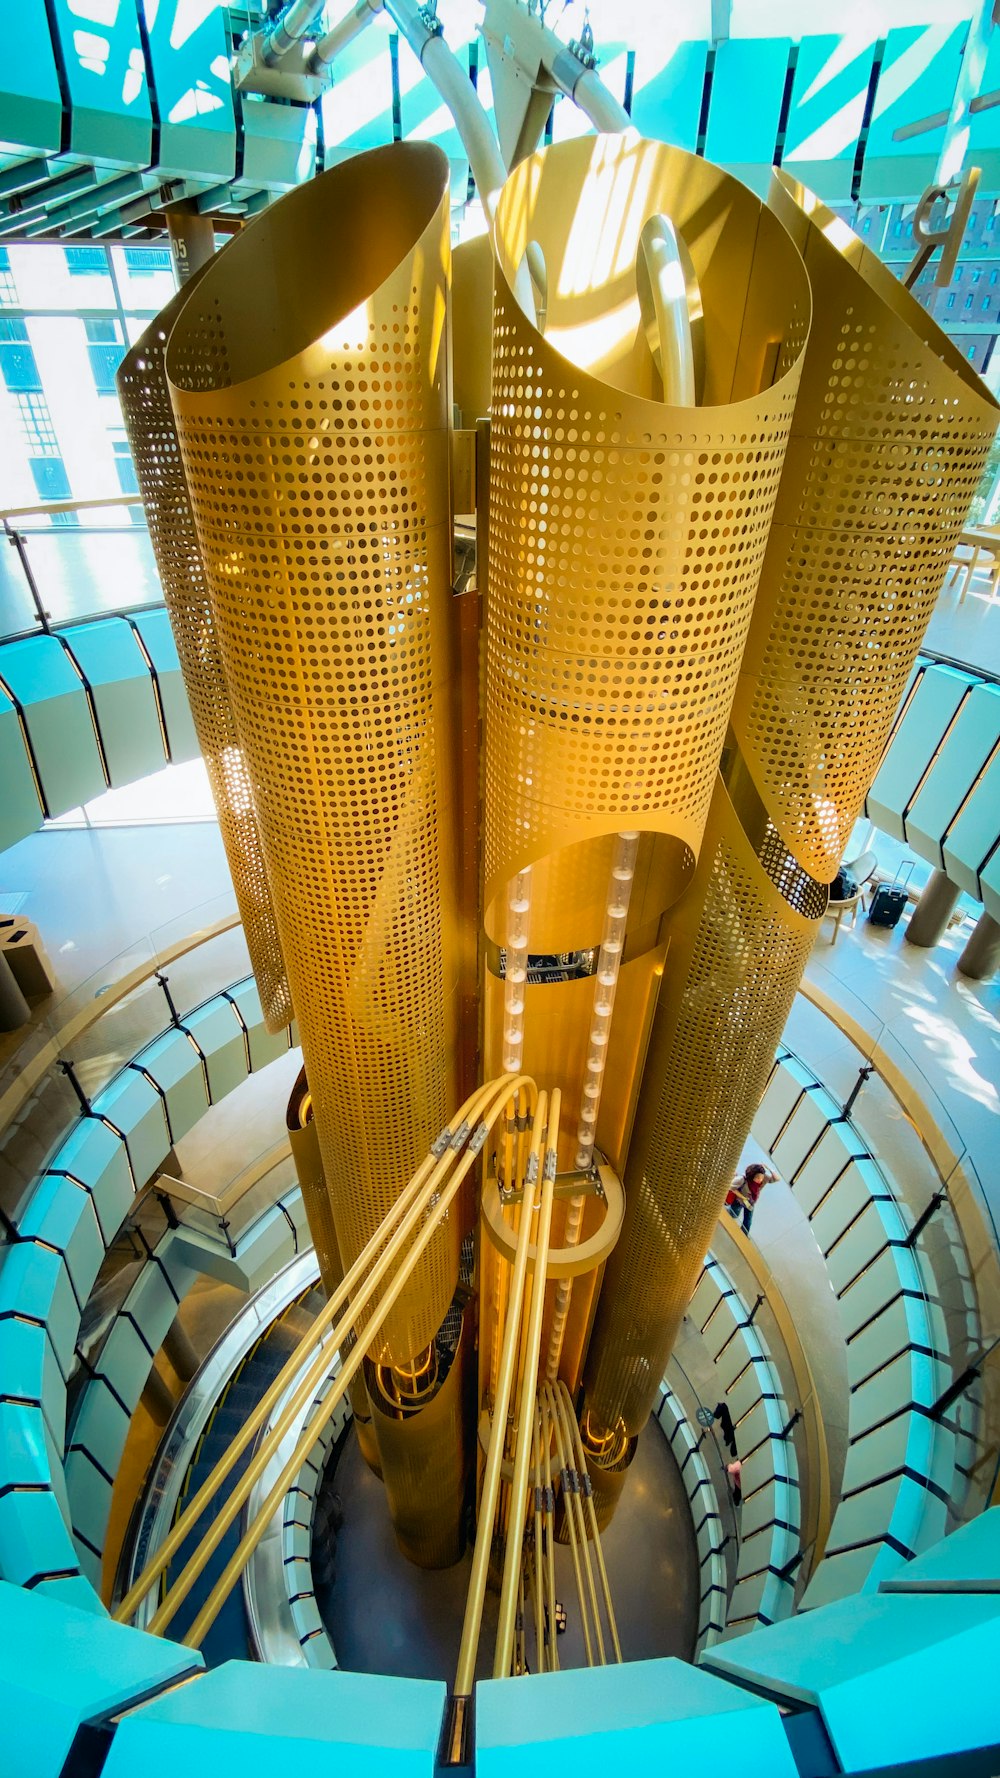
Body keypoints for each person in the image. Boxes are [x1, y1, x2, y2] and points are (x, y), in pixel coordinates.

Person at [725, 1162, 776, 1238]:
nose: (760, 1180)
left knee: (748, 1221)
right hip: (739, 1201)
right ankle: (724, 1211)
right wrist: (742, 1197)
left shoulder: (762, 1181)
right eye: (758, 1178)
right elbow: (731, 1188)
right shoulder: (743, 1179)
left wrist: (769, 1168)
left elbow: (776, 1178)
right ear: (752, 1176)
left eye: (761, 1178)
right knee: (734, 1214)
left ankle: (743, 1235)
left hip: (750, 1203)